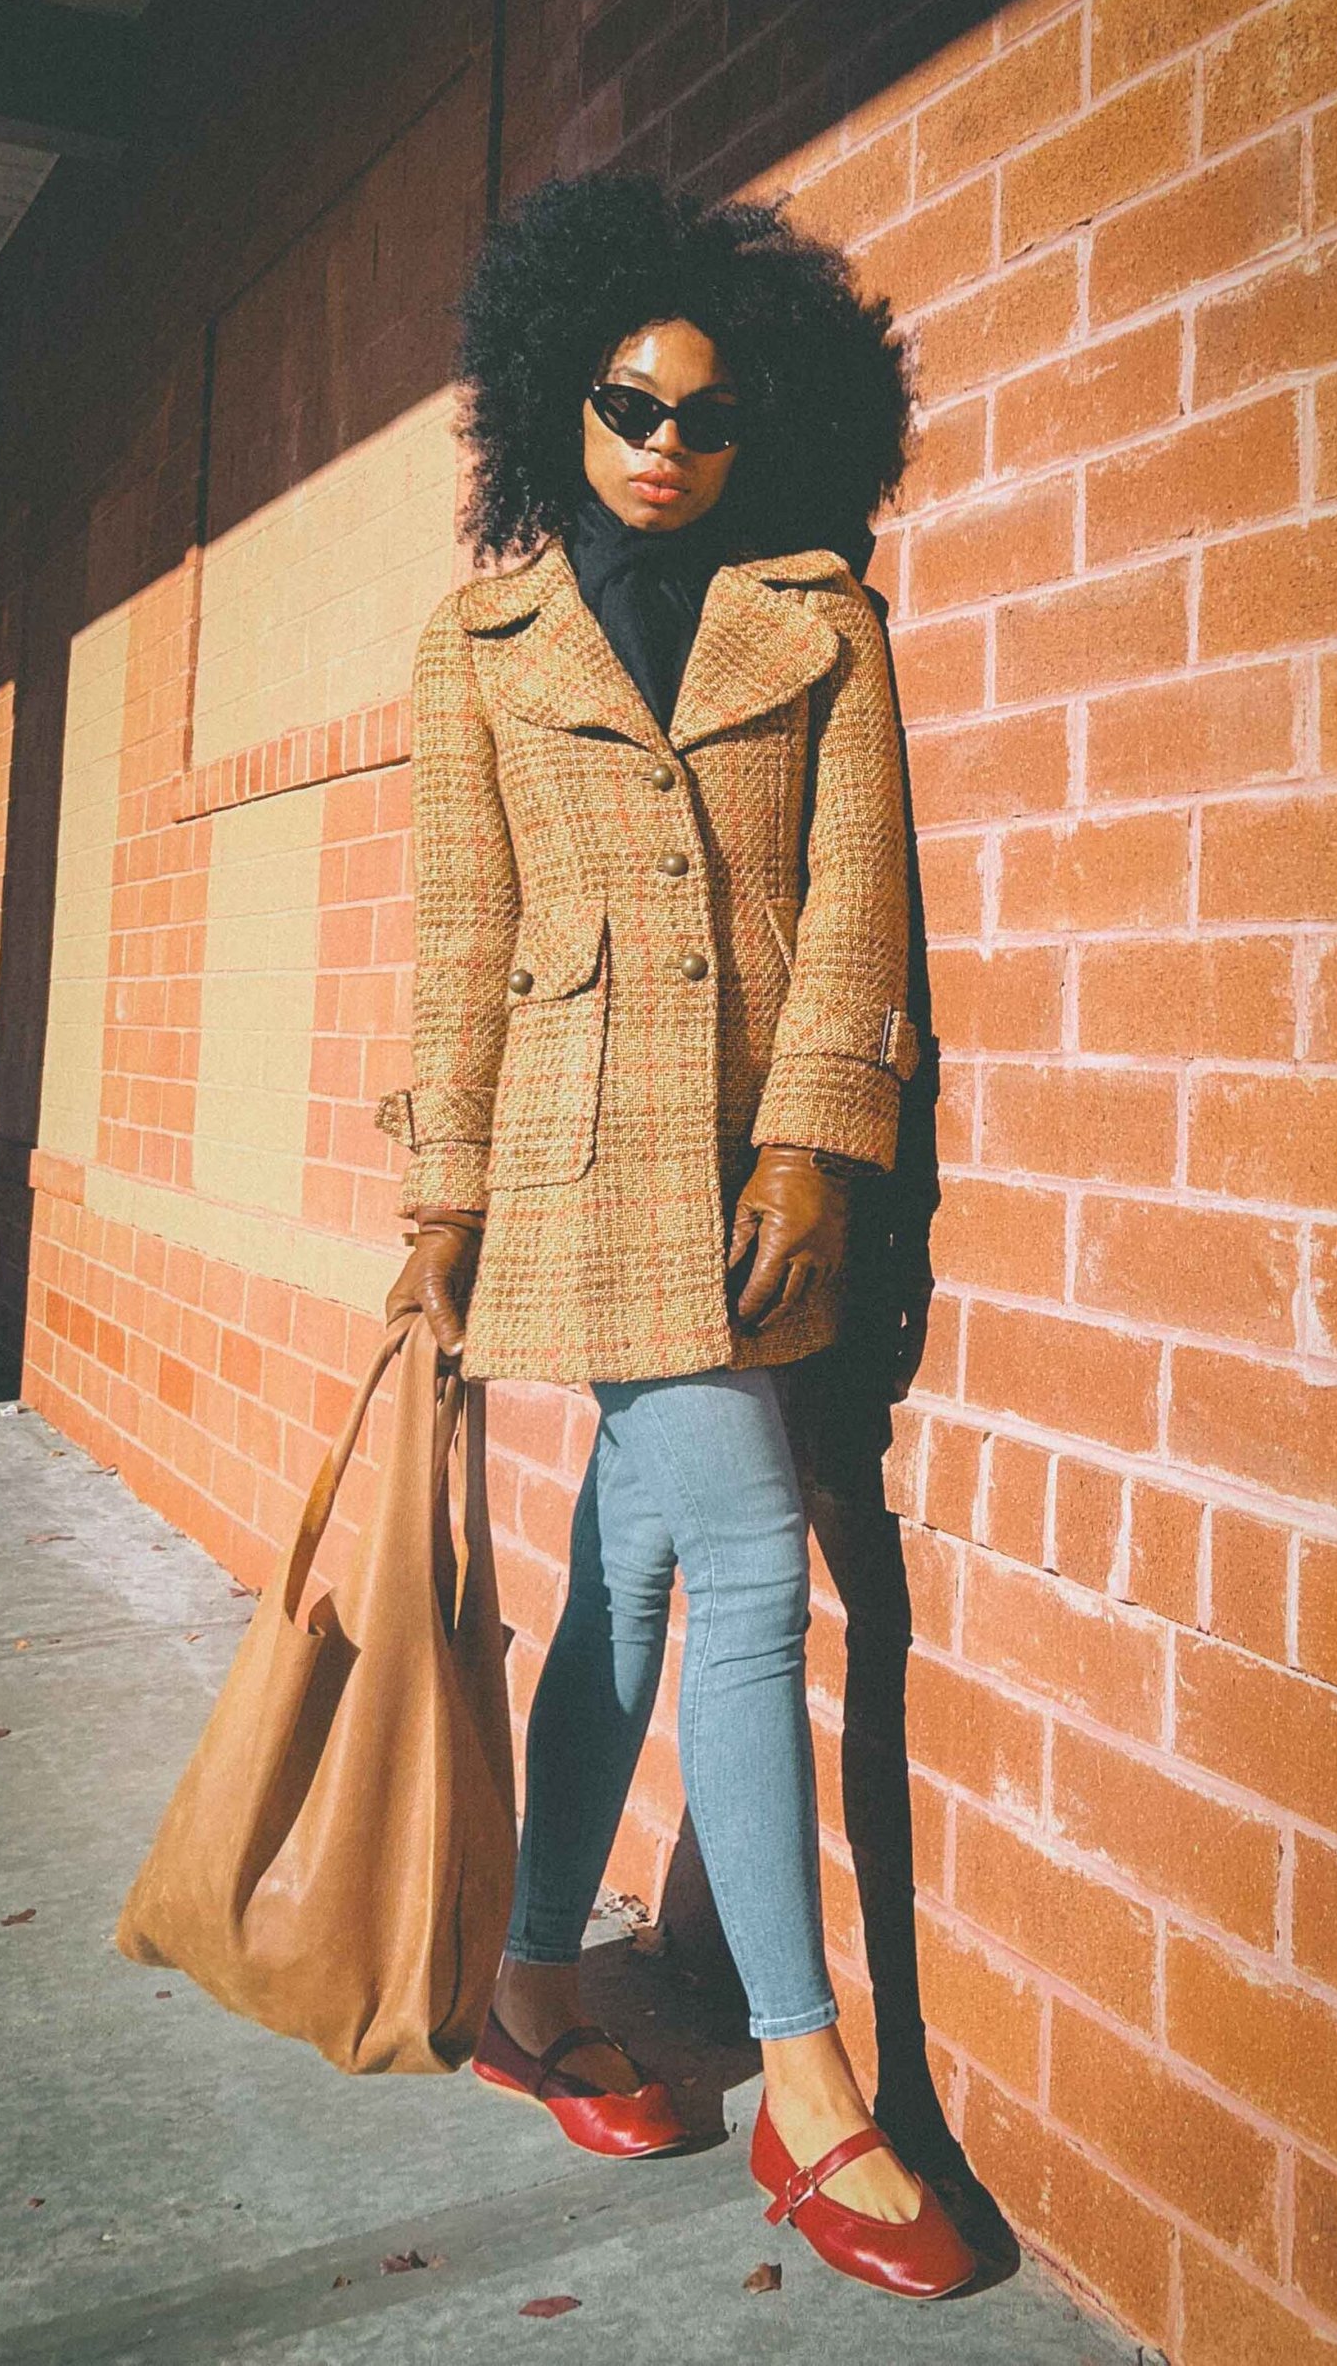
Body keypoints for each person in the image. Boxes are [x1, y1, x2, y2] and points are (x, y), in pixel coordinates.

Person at [383, 169, 973, 2304]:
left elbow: (852, 917)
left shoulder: (816, 619)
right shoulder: (475, 642)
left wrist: (812, 1156)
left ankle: (533, 1980)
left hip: (751, 1184)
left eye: (704, 414)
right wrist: (434, 1199)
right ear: (555, 401)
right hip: (561, 1164)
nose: (659, 440)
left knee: (633, 1575)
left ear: (759, 433)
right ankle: (816, 2086)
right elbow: (462, 940)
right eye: (624, 399)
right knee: (748, 1572)